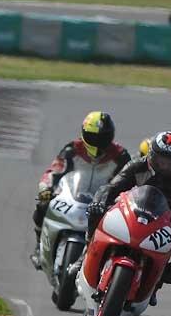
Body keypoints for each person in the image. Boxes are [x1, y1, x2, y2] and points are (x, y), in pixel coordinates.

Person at [75, 131, 171, 306]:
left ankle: (156, 280)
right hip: (131, 215)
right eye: (161, 160)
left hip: (167, 228)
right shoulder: (138, 166)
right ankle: (86, 253)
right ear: (152, 155)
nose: (166, 166)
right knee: (95, 211)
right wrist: (99, 202)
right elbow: (110, 188)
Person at [30, 111, 131, 269]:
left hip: (102, 203)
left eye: (102, 138)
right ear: (84, 133)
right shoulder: (73, 149)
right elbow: (55, 170)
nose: (97, 142)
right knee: (42, 204)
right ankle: (39, 245)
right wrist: (46, 188)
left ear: (110, 137)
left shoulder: (120, 155)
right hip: (71, 196)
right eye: (92, 137)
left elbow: (129, 182)